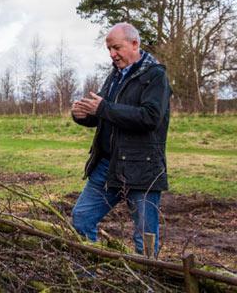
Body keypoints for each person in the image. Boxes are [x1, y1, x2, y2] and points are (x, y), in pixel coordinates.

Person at [71, 22, 172, 255]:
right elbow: (103, 114)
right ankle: (90, 280)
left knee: (144, 238)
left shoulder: (155, 76)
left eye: (116, 48)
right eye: (109, 49)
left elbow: (150, 117)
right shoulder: (116, 76)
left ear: (134, 44)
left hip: (141, 168)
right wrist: (82, 115)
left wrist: (103, 108)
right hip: (108, 165)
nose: (112, 54)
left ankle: (147, 285)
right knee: (82, 218)